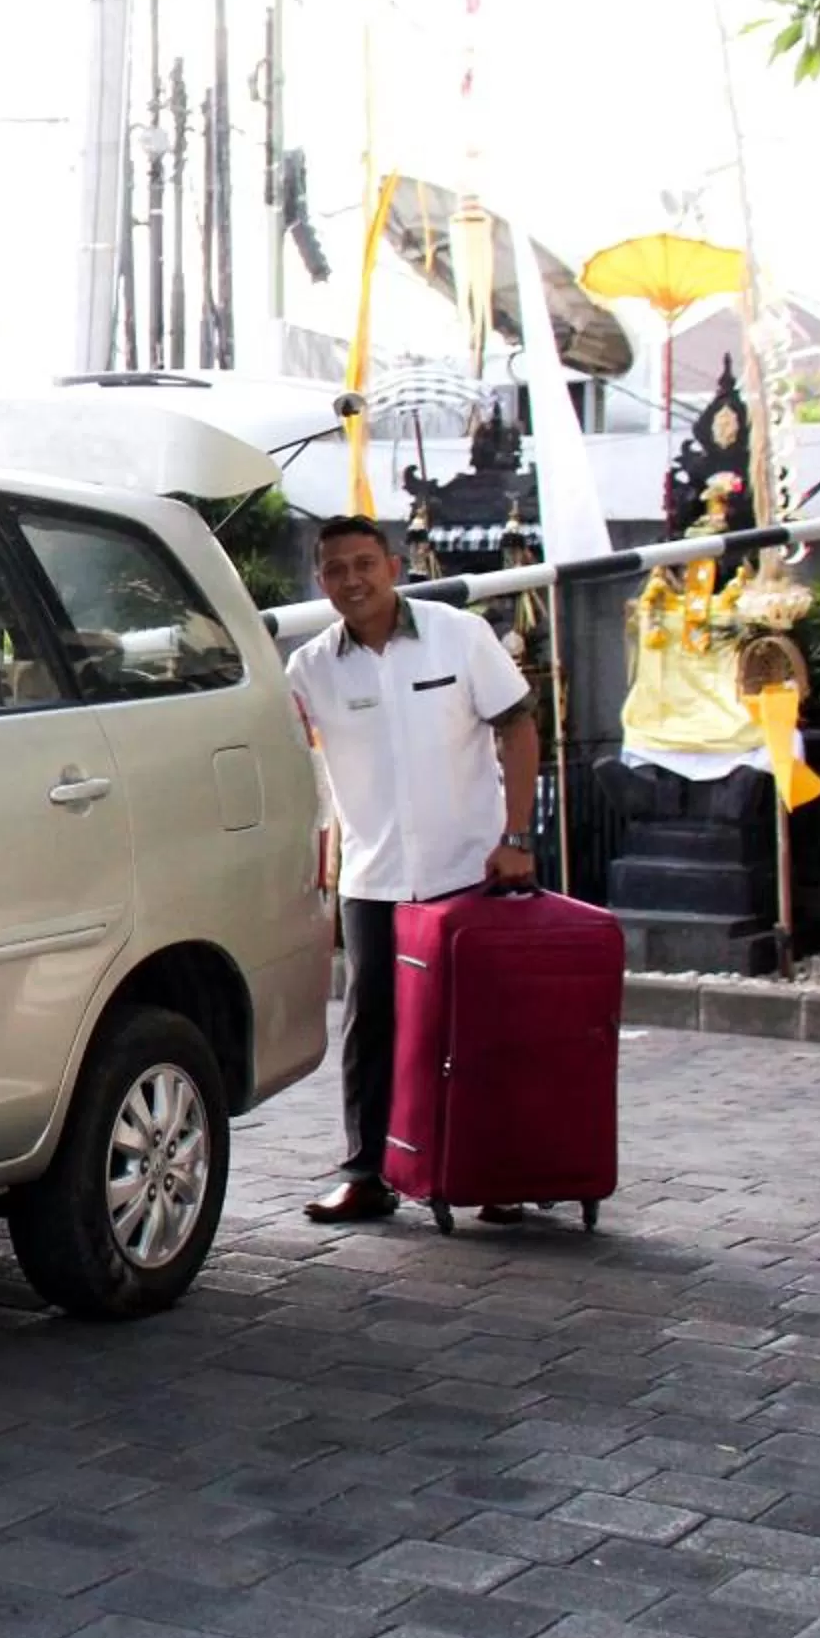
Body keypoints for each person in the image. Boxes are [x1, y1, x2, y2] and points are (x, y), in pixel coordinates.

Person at [287, 515, 543, 1226]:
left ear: (394, 567)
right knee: (372, 1028)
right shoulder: (309, 668)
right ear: (321, 582)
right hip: (373, 875)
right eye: (335, 569)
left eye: (364, 563)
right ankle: (367, 1173)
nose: (351, 580)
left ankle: (493, 1172)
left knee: (480, 1025)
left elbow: (518, 725)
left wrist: (517, 834)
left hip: (471, 866)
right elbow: (279, 754)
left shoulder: (458, 634)